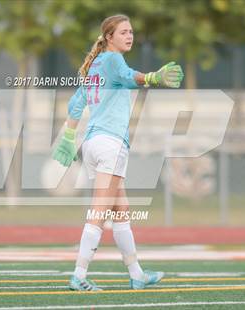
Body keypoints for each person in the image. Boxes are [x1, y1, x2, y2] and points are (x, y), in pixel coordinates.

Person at [53, 14, 184, 291]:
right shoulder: (112, 60)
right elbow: (128, 77)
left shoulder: (95, 64)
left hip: (93, 144)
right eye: (123, 32)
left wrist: (67, 136)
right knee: (99, 213)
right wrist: (153, 77)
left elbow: (76, 104)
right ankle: (79, 274)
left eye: (131, 31)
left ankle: (136, 273)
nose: (129, 36)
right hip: (110, 144)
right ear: (109, 37)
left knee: (121, 211)